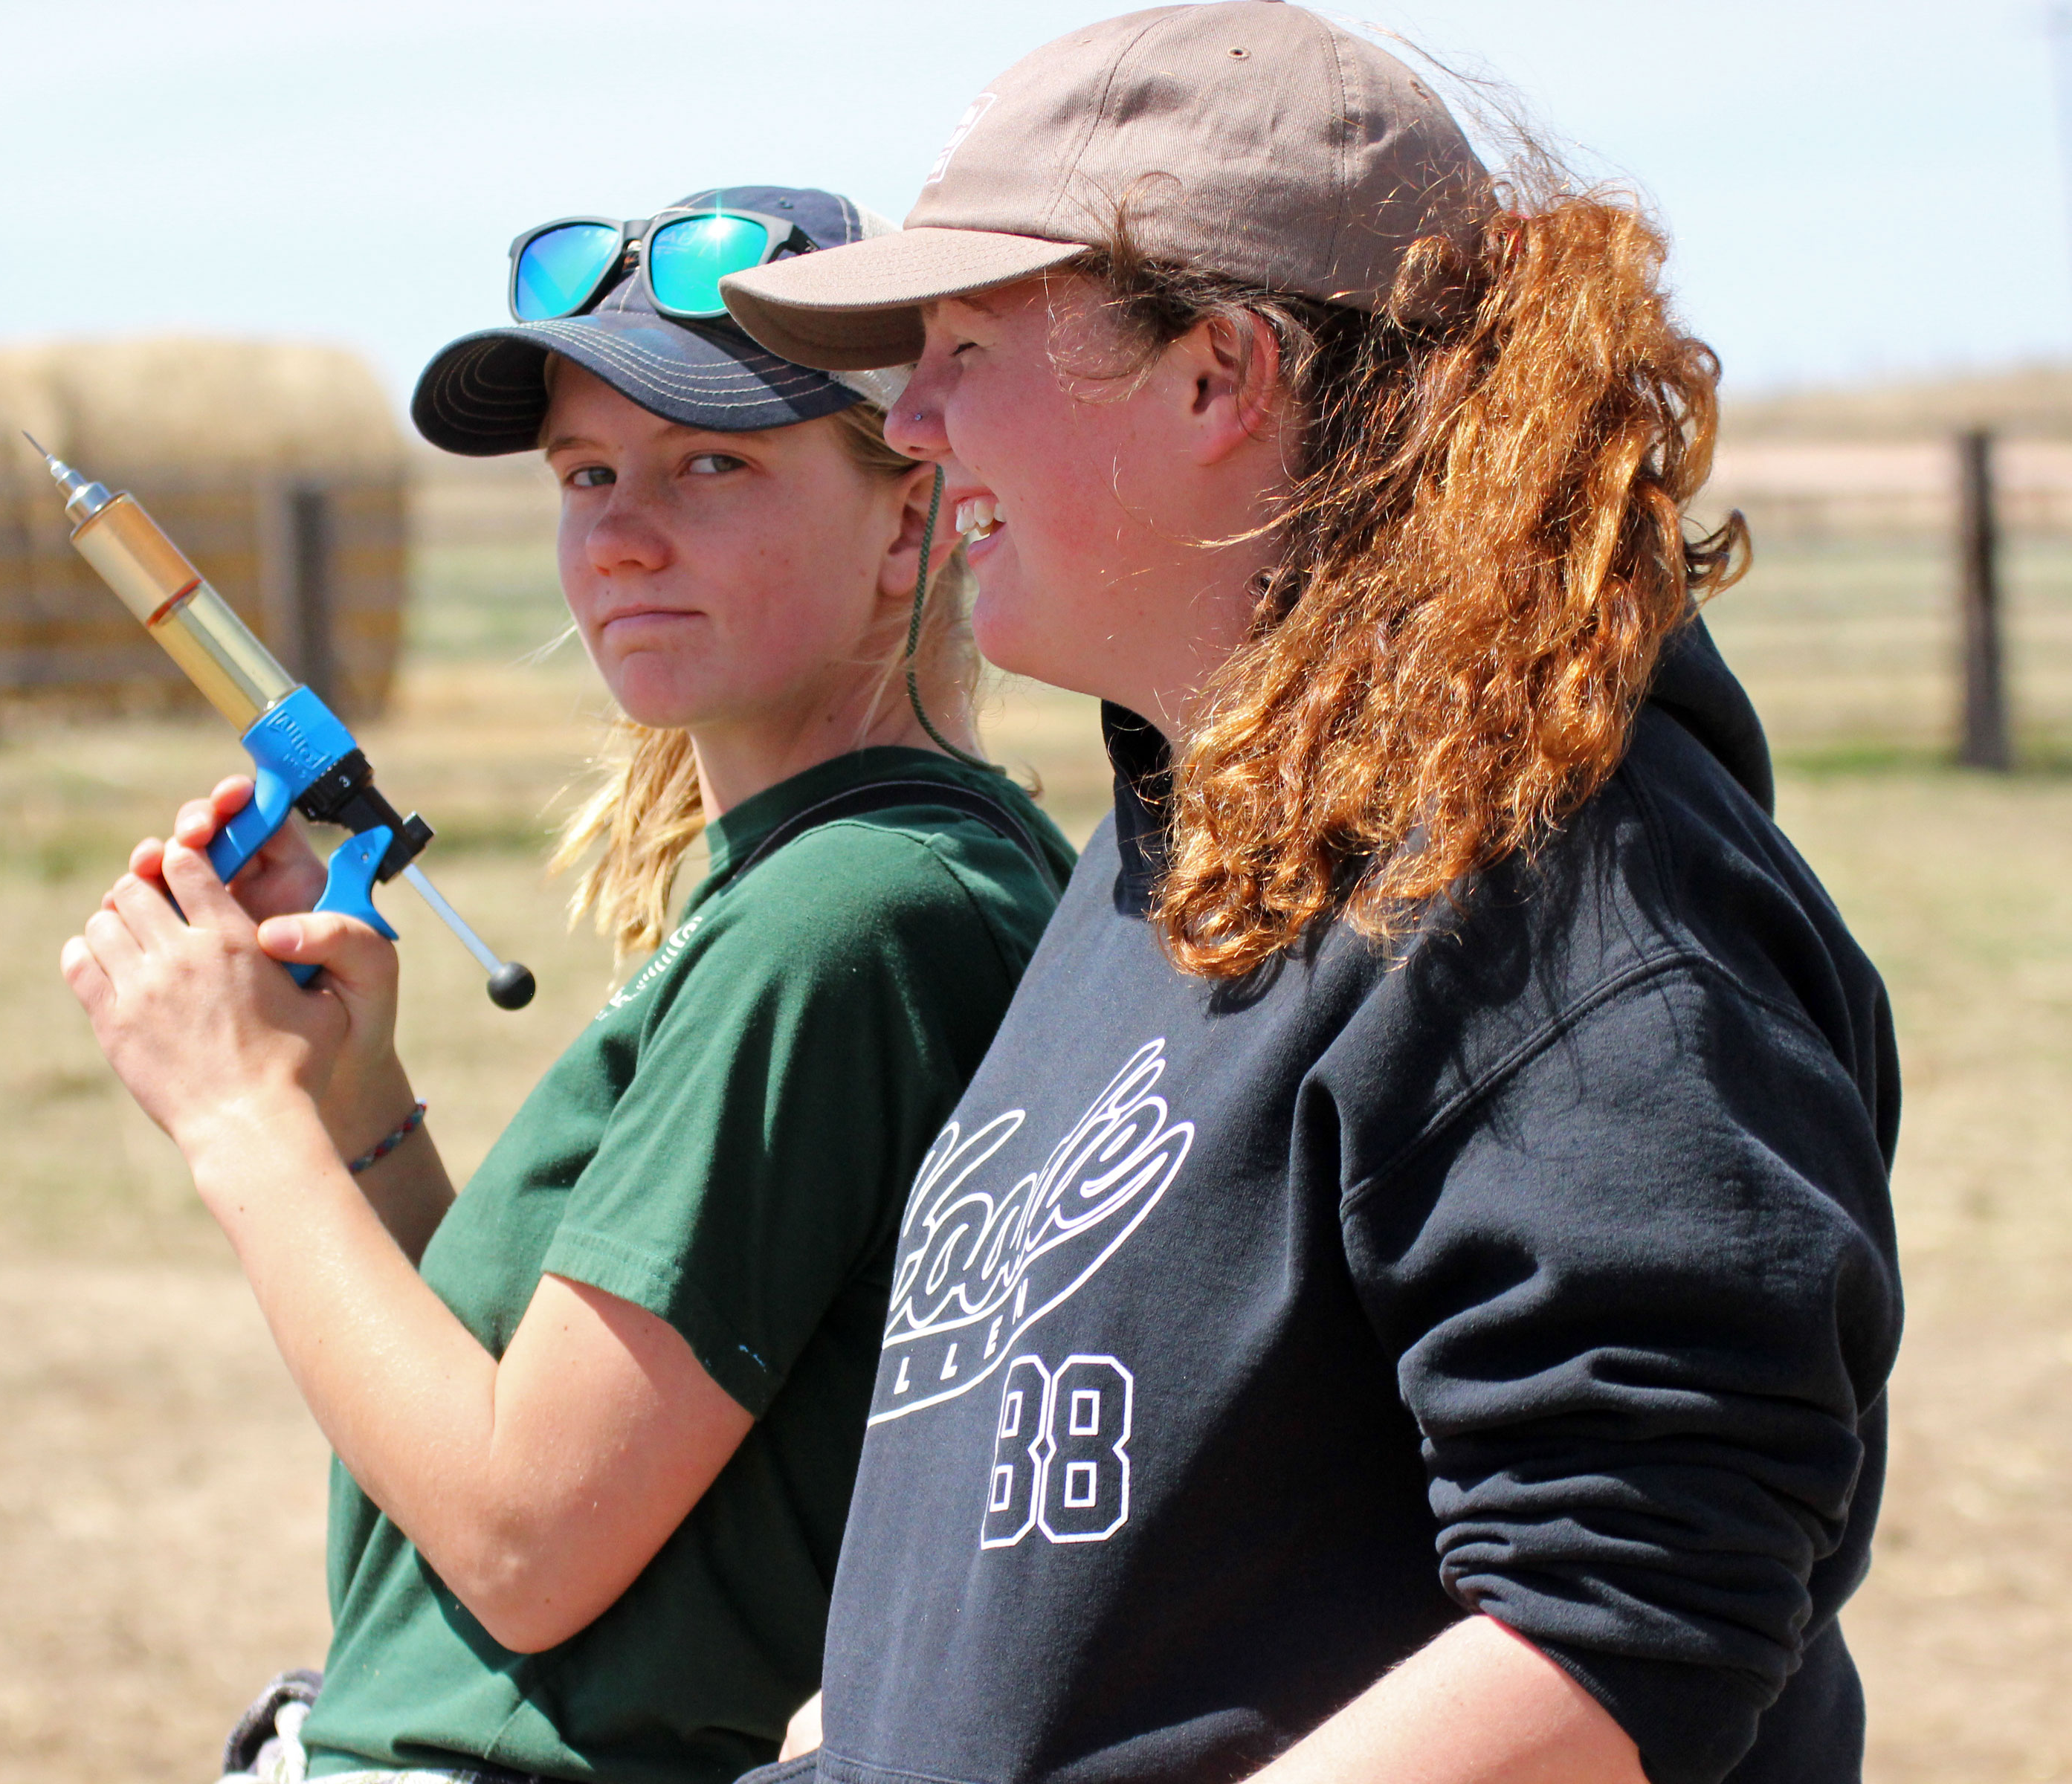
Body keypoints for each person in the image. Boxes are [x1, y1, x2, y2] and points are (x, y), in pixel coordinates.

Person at [717, 10, 1898, 1784]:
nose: (914, 419)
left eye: (966, 344)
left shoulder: (1543, 880)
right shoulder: (1180, 846)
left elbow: (1630, 1616)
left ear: (1222, 371)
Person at [59, 185, 1075, 1784]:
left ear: (911, 518)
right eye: (586, 474)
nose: (619, 532)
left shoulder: (850, 914)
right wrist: (353, 1099)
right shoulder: (857, 878)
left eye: (712, 465)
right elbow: (520, 1412)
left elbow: (529, 1539)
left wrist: (237, 1124)